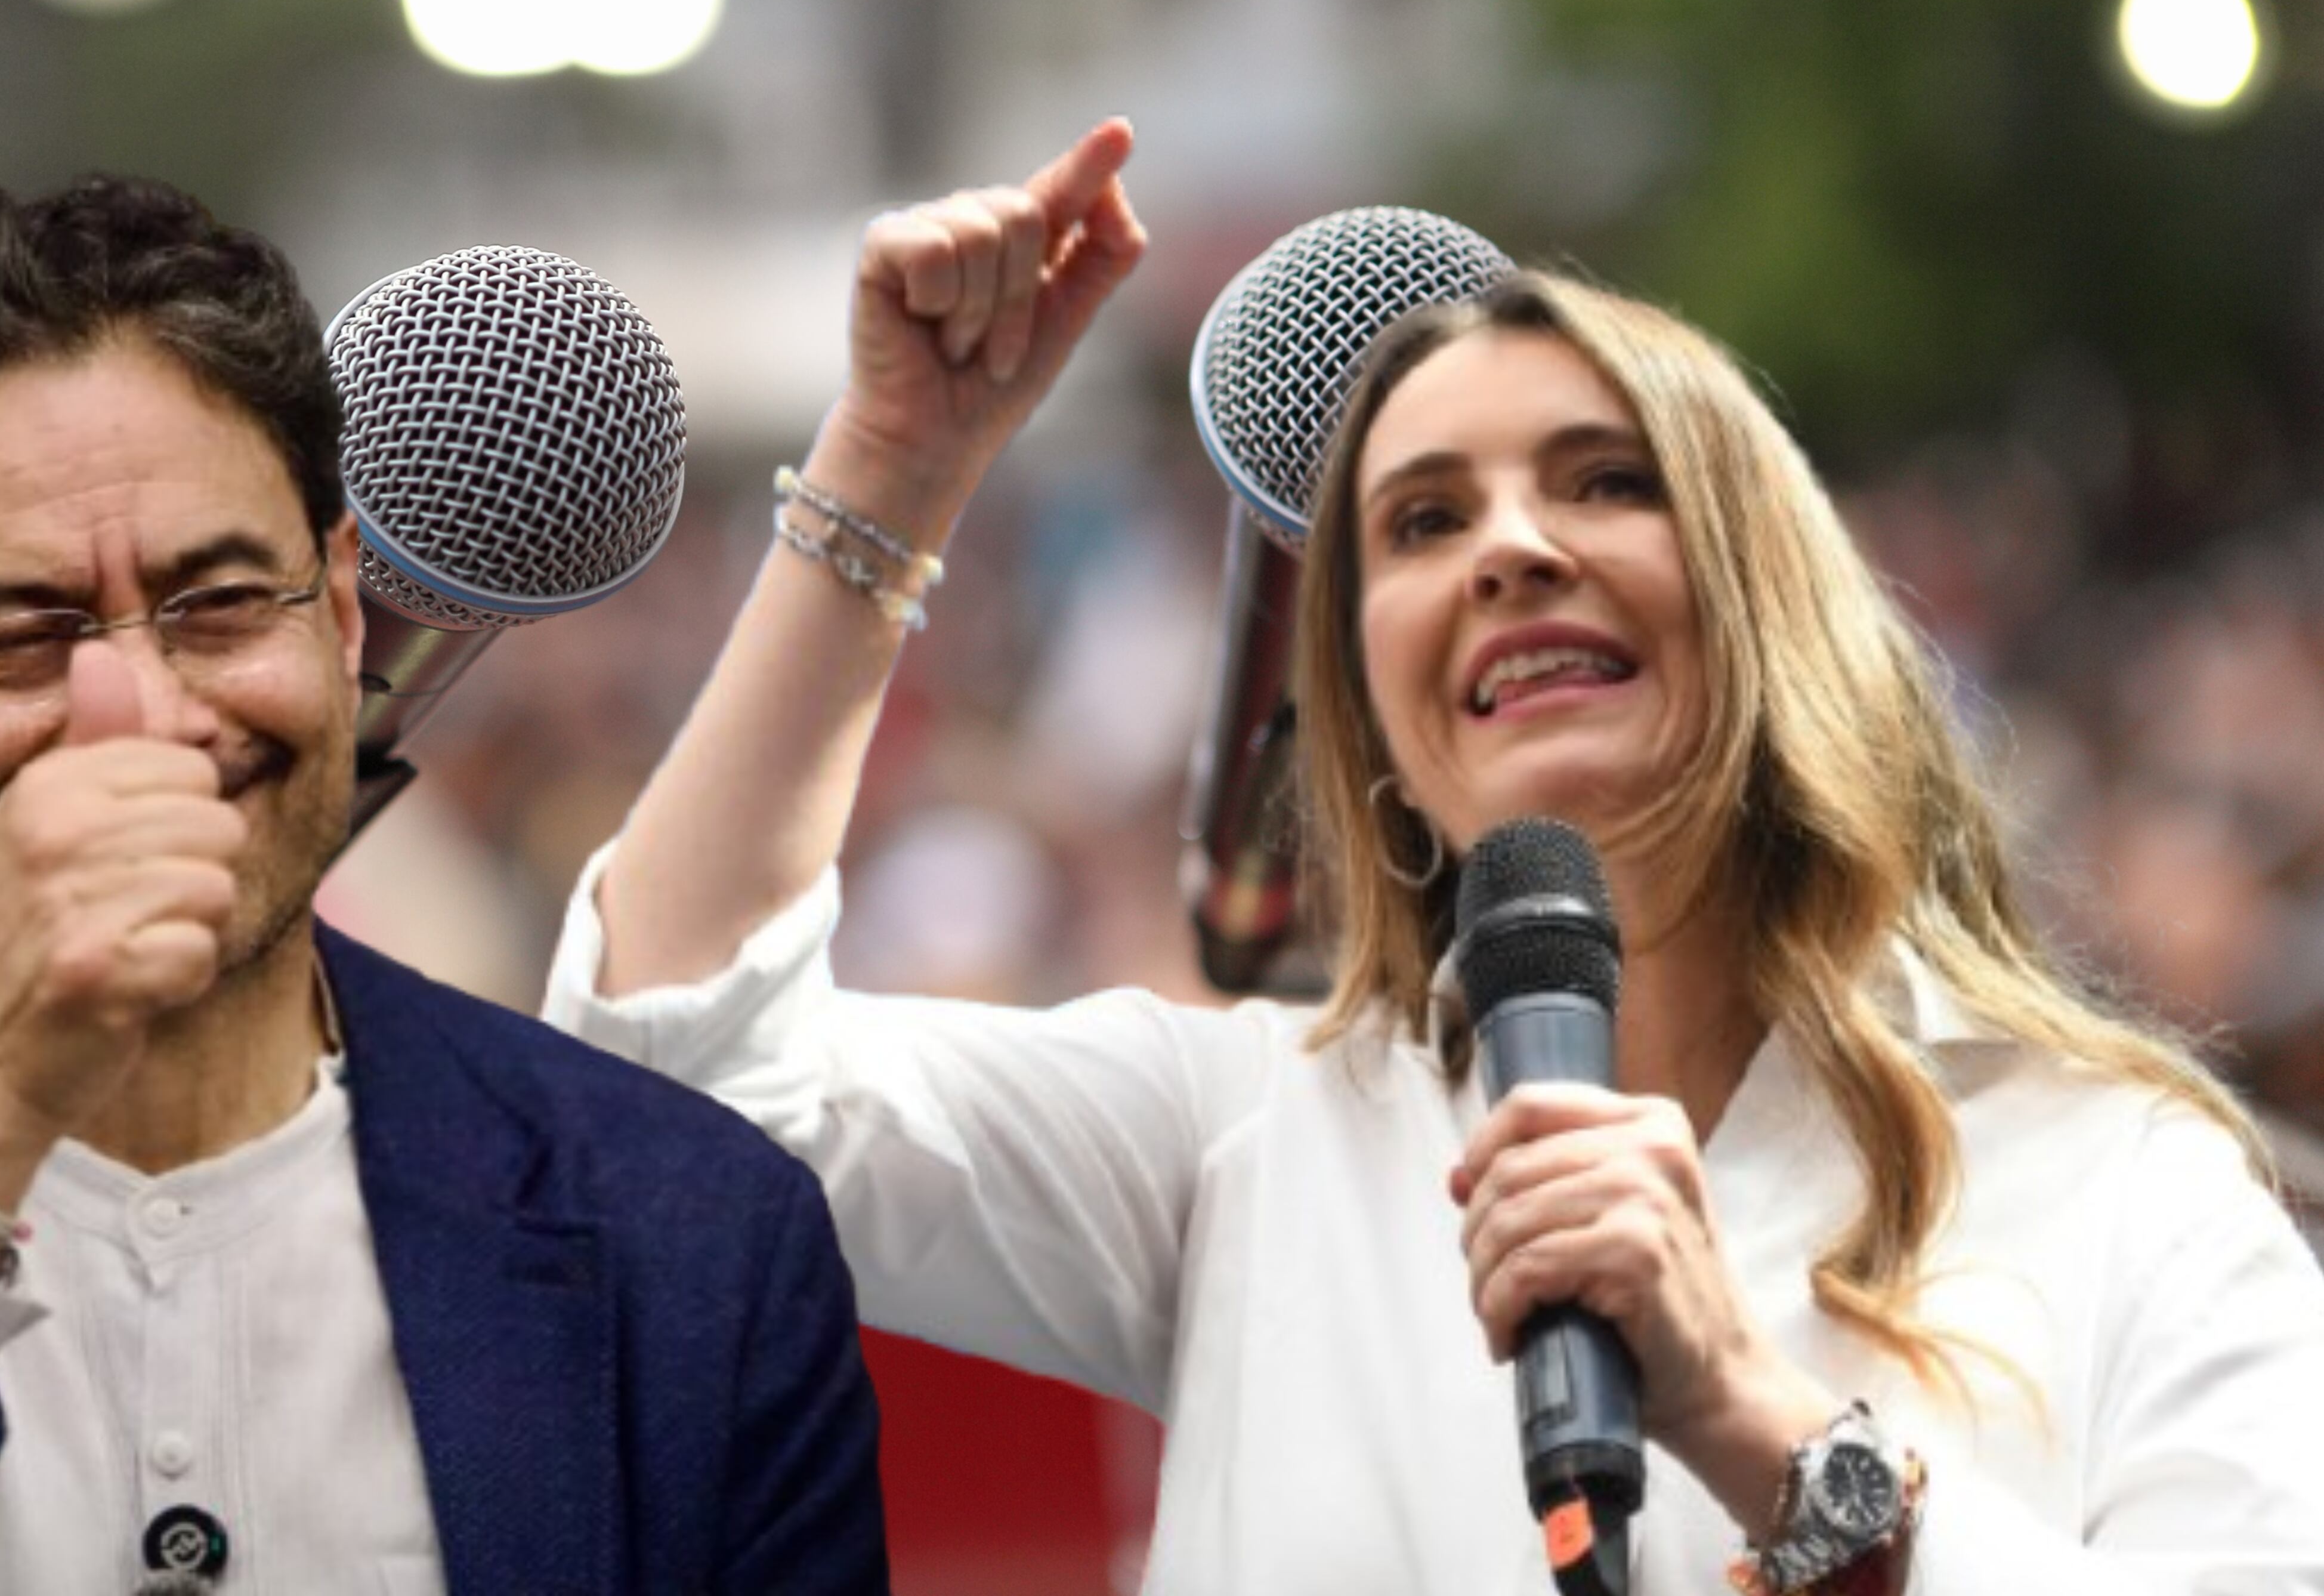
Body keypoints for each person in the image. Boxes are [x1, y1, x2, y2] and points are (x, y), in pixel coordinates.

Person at [544, 119, 2324, 1592]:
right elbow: (679, 1071)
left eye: (1605, 480)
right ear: (1378, 732)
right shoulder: (1237, 1141)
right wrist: (893, 473)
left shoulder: (2121, 1179)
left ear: (1773, 603)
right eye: (1421, 521)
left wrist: (1766, 1439)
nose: (1512, 548)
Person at [0, 177, 888, 1596]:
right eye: (20, 632)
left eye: (221, 601)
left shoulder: (691, 1234)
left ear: (338, 605)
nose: (146, 711)